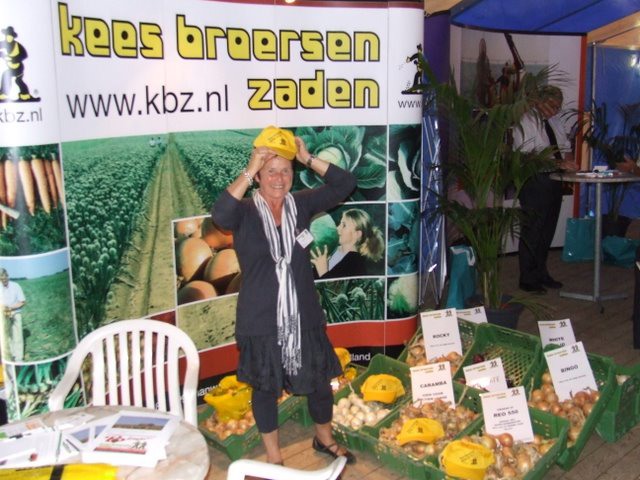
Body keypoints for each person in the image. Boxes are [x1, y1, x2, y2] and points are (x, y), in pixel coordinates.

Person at [211, 126, 357, 466]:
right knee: (265, 388)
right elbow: (220, 215)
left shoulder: (301, 204)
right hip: (260, 317)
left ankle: (324, 439)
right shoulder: (244, 212)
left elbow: (345, 184)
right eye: (271, 171)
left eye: (286, 171)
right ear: (260, 176)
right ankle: (274, 457)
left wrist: (307, 158)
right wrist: (249, 168)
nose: (279, 179)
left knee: (319, 382)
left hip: (303, 313)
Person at [513, 85, 578, 294]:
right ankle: (527, 278)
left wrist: (570, 163)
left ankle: (541, 272)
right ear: (538, 101)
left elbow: (565, 148)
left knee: (547, 231)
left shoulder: (555, 121)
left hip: (554, 180)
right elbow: (527, 157)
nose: (554, 110)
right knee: (532, 230)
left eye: (558, 106)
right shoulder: (526, 121)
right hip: (534, 181)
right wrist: (559, 164)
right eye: (551, 105)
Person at [311, 208, 384, 279]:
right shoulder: (334, 248)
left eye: (344, 225)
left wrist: (322, 271)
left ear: (357, 234)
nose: (338, 228)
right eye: (340, 224)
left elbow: (335, 285)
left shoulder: (356, 265)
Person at [0, 268, 26, 361]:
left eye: (5, 278)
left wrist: (10, 308)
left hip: (15, 313)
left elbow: (22, 302)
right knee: (7, 336)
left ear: (7, 276)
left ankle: (19, 358)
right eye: (1, 279)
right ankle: (12, 355)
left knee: (17, 336)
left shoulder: (16, 286)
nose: (3, 281)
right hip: (3, 314)